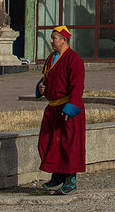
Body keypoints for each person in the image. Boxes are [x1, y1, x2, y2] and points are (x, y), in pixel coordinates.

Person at [37, 25, 86, 194]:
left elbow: (77, 86)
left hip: (67, 109)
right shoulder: (52, 58)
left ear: (64, 40)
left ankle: (70, 179)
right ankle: (57, 175)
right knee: (48, 142)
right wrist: (41, 87)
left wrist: (70, 108)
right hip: (53, 108)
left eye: (54, 38)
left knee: (68, 144)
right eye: (52, 38)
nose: (51, 41)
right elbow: (47, 78)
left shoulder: (74, 59)